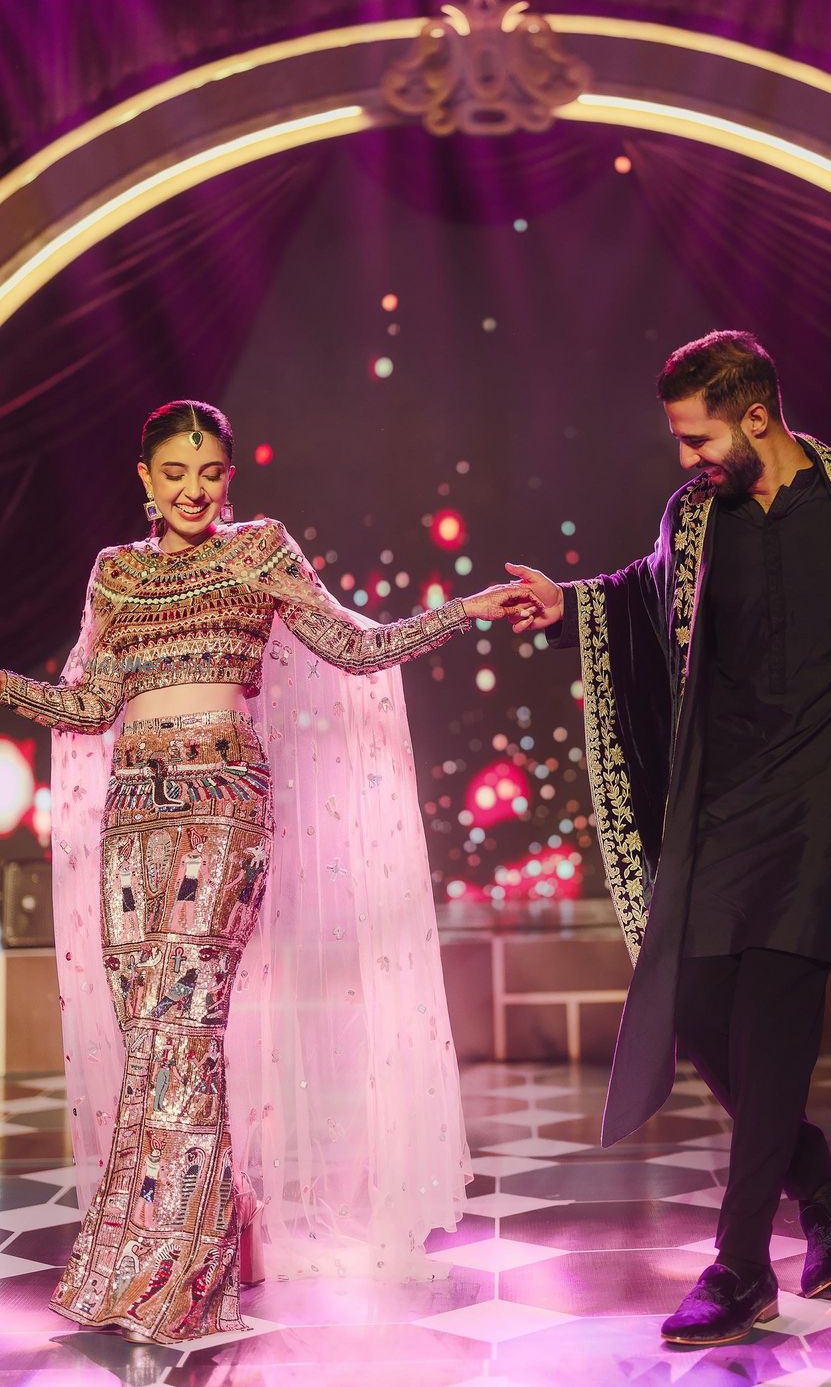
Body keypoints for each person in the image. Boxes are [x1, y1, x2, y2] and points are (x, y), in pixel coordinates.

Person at [505, 331, 831, 1347]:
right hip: (724, 803)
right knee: (690, 1012)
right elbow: (642, 602)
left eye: (699, 436)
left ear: (759, 416)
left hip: (830, 803)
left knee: (774, 1024)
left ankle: (740, 1270)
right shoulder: (693, 518)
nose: (688, 458)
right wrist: (568, 609)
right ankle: (822, 1186)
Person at [0, 398, 527, 1345]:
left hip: (224, 811)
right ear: (144, 480)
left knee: (185, 1032)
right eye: (174, 475)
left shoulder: (260, 551)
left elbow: (357, 646)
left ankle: (184, 1273)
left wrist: (467, 608)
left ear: (228, 475)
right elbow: (88, 706)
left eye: (210, 474)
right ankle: (205, 1226)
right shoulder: (114, 574)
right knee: (146, 1041)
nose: (194, 490)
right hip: (135, 819)